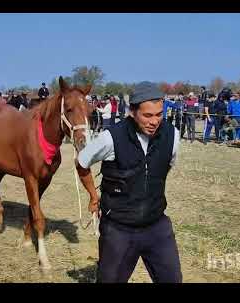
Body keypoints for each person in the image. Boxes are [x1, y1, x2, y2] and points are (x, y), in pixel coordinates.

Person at [76, 83, 182, 283]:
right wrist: (93, 196)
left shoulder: (172, 136)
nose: (155, 121)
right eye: (147, 116)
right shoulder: (110, 138)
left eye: (159, 114)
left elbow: (164, 168)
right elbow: (81, 163)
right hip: (118, 229)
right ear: (132, 112)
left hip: (156, 225)